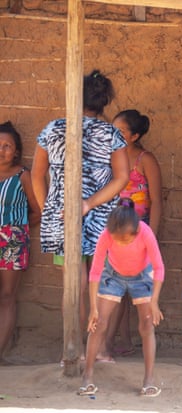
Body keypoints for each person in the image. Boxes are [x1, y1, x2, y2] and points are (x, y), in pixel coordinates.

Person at [31, 70, 130, 344]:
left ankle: (73, 347)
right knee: (102, 283)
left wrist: (48, 208)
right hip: (101, 221)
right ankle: (98, 349)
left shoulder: (52, 129)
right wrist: (90, 203)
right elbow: (122, 177)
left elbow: (37, 174)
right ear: (103, 101)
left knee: (74, 286)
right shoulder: (111, 134)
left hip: (62, 218)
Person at [79, 199, 164, 397]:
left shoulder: (145, 231)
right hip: (113, 275)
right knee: (99, 324)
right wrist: (93, 307)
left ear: (136, 232)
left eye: (126, 239)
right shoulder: (106, 234)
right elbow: (96, 272)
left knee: (147, 325)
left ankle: (149, 380)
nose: (121, 242)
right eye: (117, 239)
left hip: (143, 275)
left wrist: (154, 301)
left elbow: (159, 268)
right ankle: (87, 377)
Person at [104, 109, 162, 358]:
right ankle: (124, 341)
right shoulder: (111, 157)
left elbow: (157, 201)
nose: (113, 134)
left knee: (134, 290)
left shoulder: (145, 159)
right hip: (116, 233)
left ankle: (106, 345)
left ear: (135, 135)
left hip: (139, 233)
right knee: (116, 289)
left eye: (121, 131)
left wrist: (153, 238)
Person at [0, 121, 41, 363]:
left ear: (16, 151)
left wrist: (17, 230)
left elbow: (36, 210)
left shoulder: (22, 175)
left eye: (7, 146)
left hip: (12, 240)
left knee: (7, 296)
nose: (2, 149)